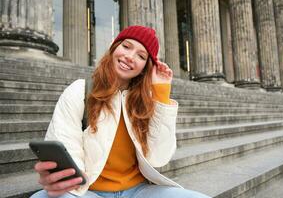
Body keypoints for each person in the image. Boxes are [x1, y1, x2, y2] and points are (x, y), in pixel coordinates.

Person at [31, 25, 211, 198]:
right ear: (114, 47)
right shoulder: (79, 90)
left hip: (139, 191)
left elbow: (159, 158)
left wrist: (161, 94)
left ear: (145, 67)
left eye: (141, 56)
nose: (130, 57)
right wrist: (69, 181)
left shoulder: (146, 101)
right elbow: (65, 144)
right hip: (88, 191)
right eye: (126, 46)